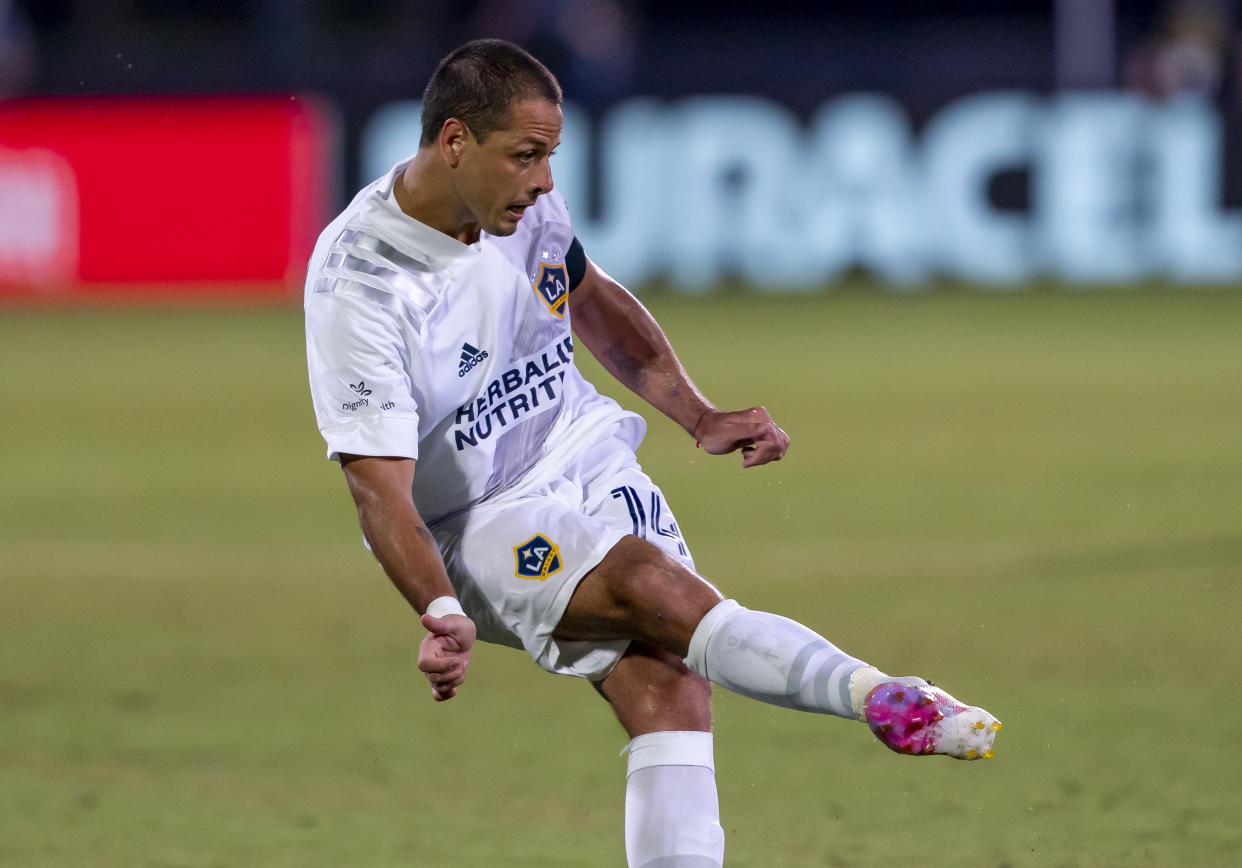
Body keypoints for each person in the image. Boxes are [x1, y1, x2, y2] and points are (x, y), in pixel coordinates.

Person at [304, 39, 1001, 868]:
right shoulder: (364, 288)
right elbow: (378, 492)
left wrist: (697, 415)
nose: (545, 181)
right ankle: (882, 698)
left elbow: (588, 296)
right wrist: (441, 609)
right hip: (473, 520)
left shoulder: (519, 210)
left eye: (550, 156)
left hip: (580, 448)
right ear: (455, 141)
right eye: (526, 156)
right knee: (651, 590)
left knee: (668, 686)